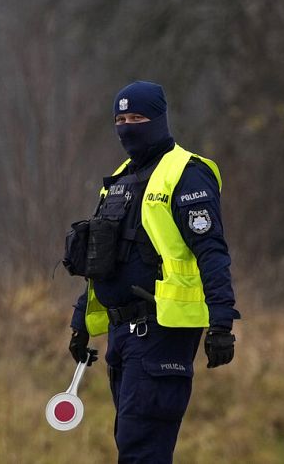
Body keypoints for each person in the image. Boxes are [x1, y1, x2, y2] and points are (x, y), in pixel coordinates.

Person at [65, 81, 240, 463]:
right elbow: (103, 263)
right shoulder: (120, 180)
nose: (128, 126)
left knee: (141, 449)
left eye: (138, 117)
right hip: (121, 335)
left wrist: (222, 321)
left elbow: (212, 251)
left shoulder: (187, 173)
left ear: (159, 119)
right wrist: (82, 322)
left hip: (161, 331)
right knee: (131, 442)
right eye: (121, 119)